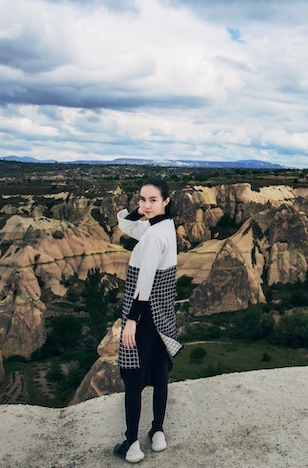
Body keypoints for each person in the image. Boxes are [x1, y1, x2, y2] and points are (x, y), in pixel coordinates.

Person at [113, 178, 181, 463]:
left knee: (134, 376)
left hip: (143, 313)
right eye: (142, 199)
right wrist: (140, 212)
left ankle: (131, 444)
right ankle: (158, 433)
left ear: (166, 200)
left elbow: (144, 283)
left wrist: (131, 321)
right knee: (159, 372)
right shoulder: (164, 227)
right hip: (163, 312)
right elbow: (127, 226)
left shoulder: (154, 236)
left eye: (153, 200)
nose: (145, 205)